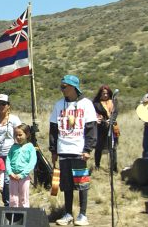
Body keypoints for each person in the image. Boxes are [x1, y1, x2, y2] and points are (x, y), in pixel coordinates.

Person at [49, 75, 97, 226]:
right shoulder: (59, 105)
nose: (62, 89)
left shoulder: (86, 104)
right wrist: (53, 150)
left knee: (82, 184)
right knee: (66, 185)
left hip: (79, 151)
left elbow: (91, 128)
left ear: (73, 87)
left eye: (64, 87)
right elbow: (53, 129)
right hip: (63, 150)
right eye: (61, 87)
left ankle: (83, 214)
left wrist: (88, 149)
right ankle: (68, 213)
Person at [0, 94, 22, 206]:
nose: (1, 106)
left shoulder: (14, 119)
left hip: (11, 154)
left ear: (8, 105)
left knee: (7, 180)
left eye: (3, 103)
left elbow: (19, 136)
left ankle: (9, 203)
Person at [6, 124, 37, 208]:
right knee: (13, 198)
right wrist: (10, 172)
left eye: (20, 135)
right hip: (13, 176)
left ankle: (24, 218)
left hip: (24, 177)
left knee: (24, 197)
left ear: (27, 135)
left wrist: (22, 174)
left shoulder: (30, 147)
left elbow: (32, 162)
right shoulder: (13, 147)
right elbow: (8, 159)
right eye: (16, 135)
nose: (18, 137)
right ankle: (13, 217)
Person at [93, 85, 119, 172]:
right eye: (103, 93)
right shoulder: (96, 103)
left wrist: (110, 120)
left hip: (112, 127)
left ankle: (114, 168)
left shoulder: (113, 101)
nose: (105, 95)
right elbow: (96, 114)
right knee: (99, 147)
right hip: (100, 128)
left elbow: (115, 113)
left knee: (113, 148)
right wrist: (103, 121)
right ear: (100, 93)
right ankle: (97, 166)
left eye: (107, 93)